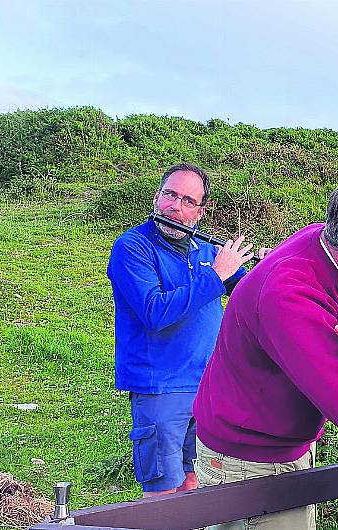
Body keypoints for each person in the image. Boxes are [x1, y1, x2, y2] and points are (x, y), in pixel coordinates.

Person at [193, 169, 338, 530]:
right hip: (250, 462)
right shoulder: (289, 293)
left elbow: (335, 330)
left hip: (275, 442)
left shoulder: (328, 246)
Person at [107, 162, 264, 497]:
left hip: (210, 384)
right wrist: (215, 275)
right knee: (163, 493)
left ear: (201, 212)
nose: (175, 207)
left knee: (195, 483)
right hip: (161, 387)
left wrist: (268, 268)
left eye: (188, 201)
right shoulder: (132, 247)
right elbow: (155, 311)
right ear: (157, 196)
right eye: (170, 195)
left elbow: (252, 298)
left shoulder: (207, 251)